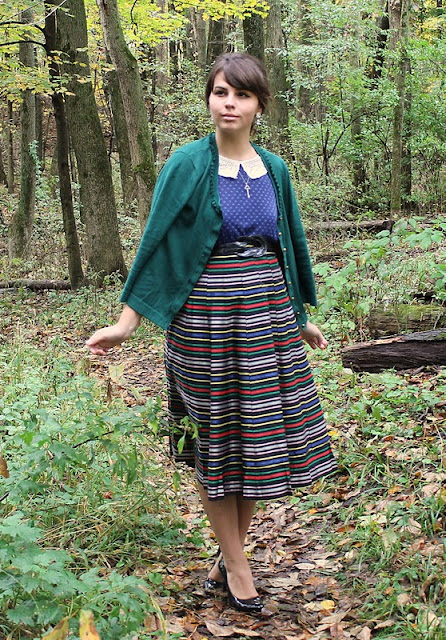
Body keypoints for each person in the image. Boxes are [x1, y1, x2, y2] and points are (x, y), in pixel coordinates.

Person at [86, 52, 337, 615]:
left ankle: (229, 557)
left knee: (256, 442)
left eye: (241, 95)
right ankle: (239, 566)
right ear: (209, 98)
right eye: (221, 92)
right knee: (218, 443)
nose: (229, 103)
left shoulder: (274, 169)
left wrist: (300, 315)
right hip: (204, 322)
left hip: (268, 319)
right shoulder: (187, 164)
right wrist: (126, 323)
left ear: (259, 105)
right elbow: (156, 242)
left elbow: (289, 243)